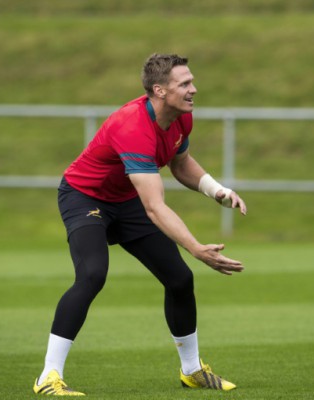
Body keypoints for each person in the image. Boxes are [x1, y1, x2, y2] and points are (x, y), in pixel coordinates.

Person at [33, 53, 247, 396]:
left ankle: (191, 371)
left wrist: (217, 190)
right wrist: (195, 248)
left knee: (179, 278)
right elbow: (155, 207)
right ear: (159, 90)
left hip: (125, 199)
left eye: (192, 81)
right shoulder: (132, 126)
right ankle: (48, 376)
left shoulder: (181, 118)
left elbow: (181, 162)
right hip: (85, 197)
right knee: (92, 275)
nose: (194, 89)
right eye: (185, 84)